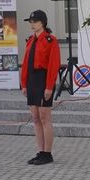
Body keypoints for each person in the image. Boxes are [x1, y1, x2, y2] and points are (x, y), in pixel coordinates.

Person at [20, 10, 61, 165]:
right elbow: (26, 63)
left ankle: (47, 154)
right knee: (36, 118)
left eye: (35, 21)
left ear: (43, 22)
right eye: (30, 22)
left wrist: (49, 86)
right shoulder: (30, 40)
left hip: (43, 79)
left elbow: (53, 65)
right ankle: (40, 151)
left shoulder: (51, 40)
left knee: (45, 117)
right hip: (32, 80)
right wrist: (24, 83)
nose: (32, 24)